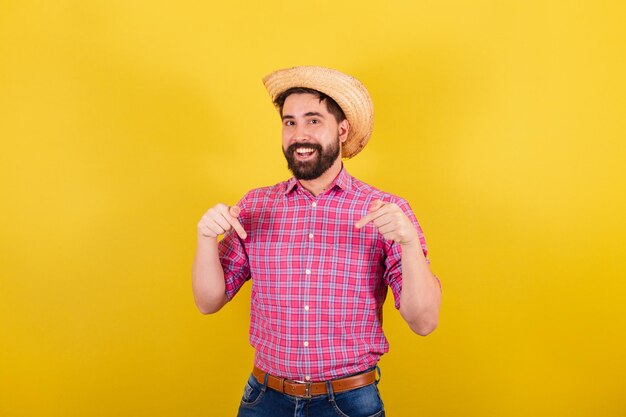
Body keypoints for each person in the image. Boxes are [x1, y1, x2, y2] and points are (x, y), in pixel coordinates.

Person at [192, 66, 442, 417]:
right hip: (264, 399)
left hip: (349, 402)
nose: (299, 134)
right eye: (290, 122)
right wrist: (206, 238)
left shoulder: (386, 212)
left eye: (313, 120)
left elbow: (424, 321)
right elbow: (208, 301)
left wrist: (410, 244)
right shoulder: (255, 205)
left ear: (342, 130)